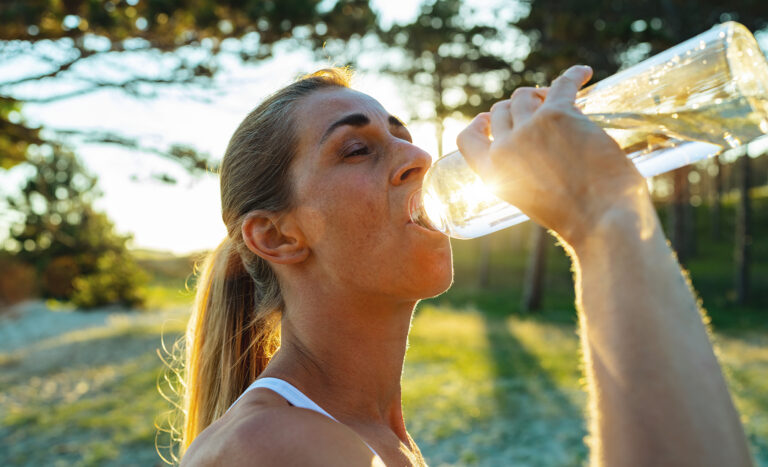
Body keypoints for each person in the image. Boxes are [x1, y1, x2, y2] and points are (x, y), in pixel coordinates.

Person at [177, 66, 752, 466]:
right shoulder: (269, 448)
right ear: (276, 236)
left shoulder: (372, 435)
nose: (421, 159)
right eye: (357, 149)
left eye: (403, 137)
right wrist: (602, 217)